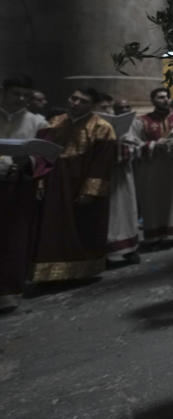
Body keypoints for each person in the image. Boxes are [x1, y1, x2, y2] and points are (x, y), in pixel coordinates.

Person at [32, 87, 117, 283]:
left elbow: (102, 163)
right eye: (73, 98)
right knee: (52, 227)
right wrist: (40, 181)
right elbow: (42, 154)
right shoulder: (54, 122)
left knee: (82, 227)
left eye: (83, 101)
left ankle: (81, 271)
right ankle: (49, 273)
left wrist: (91, 190)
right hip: (55, 181)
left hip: (81, 181)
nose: (76, 103)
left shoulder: (102, 127)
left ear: (92, 105)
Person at [0, 75, 48, 311]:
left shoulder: (37, 122)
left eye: (25, 96)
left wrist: (27, 160)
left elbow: (46, 158)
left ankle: (9, 292)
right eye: (15, 93)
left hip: (18, 185)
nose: (20, 99)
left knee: (13, 239)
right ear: (4, 92)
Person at [133, 87, 173, 248]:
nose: (164, 100)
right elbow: (134, 142)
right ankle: (156, 235)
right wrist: (153, 145)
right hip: (152, 169)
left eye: (166, 97)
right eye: (159, 97)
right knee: (154, 201)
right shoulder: (142, 120)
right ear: (152, 100)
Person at [92, 93, 140, 267]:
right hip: (97, 178)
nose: (108, 111)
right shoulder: (89, 126)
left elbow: (134, 146)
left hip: (120, 177)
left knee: (124, 213)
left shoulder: (123, 126)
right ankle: (103, 253)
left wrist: (120, 146)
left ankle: (128, 250)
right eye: (103, 108)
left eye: (109, 107)